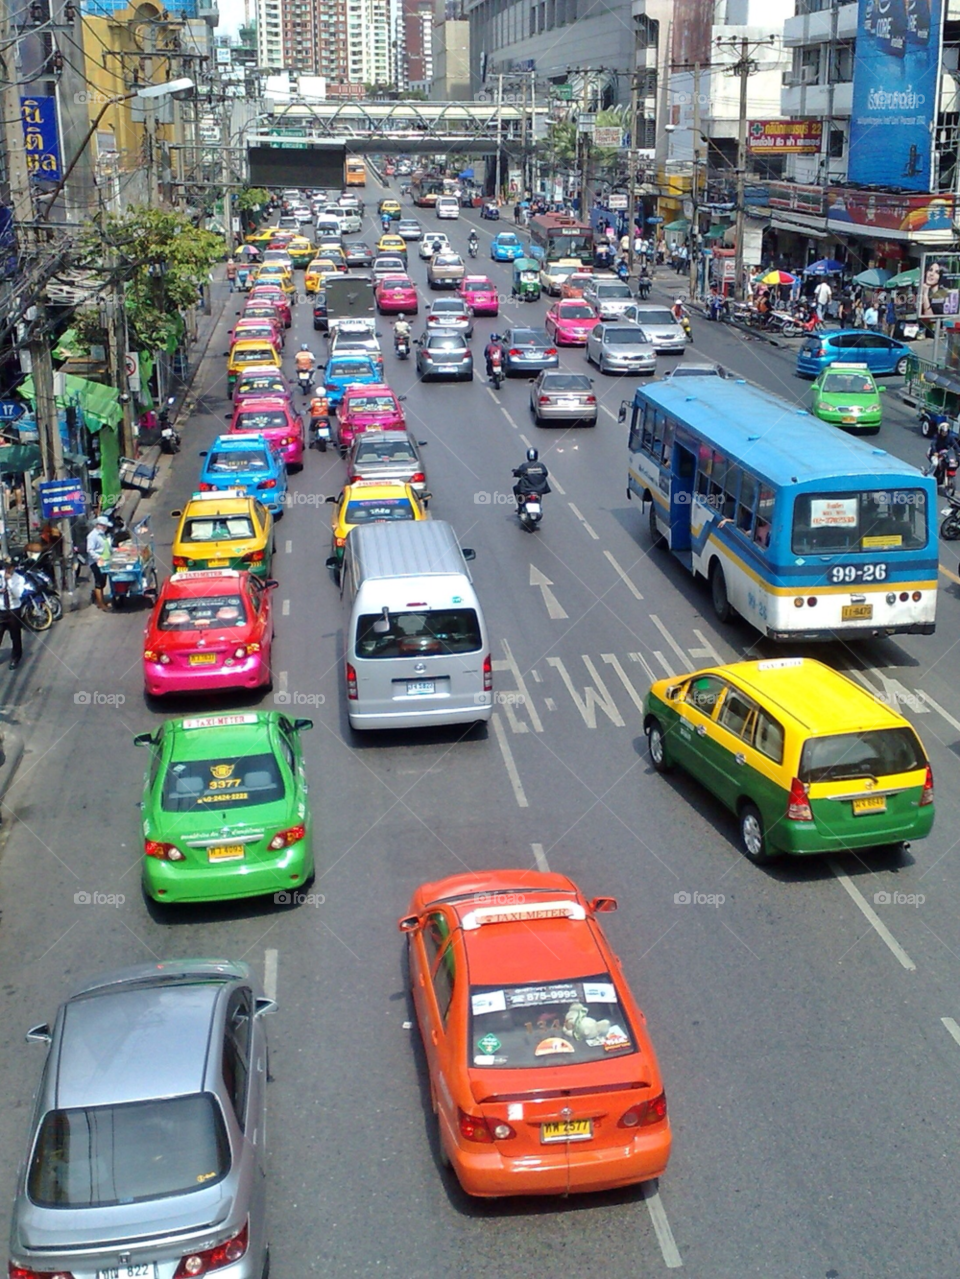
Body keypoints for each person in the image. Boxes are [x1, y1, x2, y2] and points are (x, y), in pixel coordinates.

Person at [0, 560, 25, 669]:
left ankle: (16, 658)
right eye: (7, 568)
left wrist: (9, 583)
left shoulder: (19, 579)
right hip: (1, 610)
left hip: (14, 610)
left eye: (10, 568)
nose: (8, 570)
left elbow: (18, 594)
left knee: (15, 636)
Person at [86, 514, 111, 613]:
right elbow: (90, 550)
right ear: (99, 525)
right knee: (99, 582)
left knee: (104, 581)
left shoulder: (102, 534)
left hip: (105, 561)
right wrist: (98, 558)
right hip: (96, 563)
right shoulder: (92, 536)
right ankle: (101, 603)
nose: (105, 528)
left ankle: (103, 600)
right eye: (104, 526)